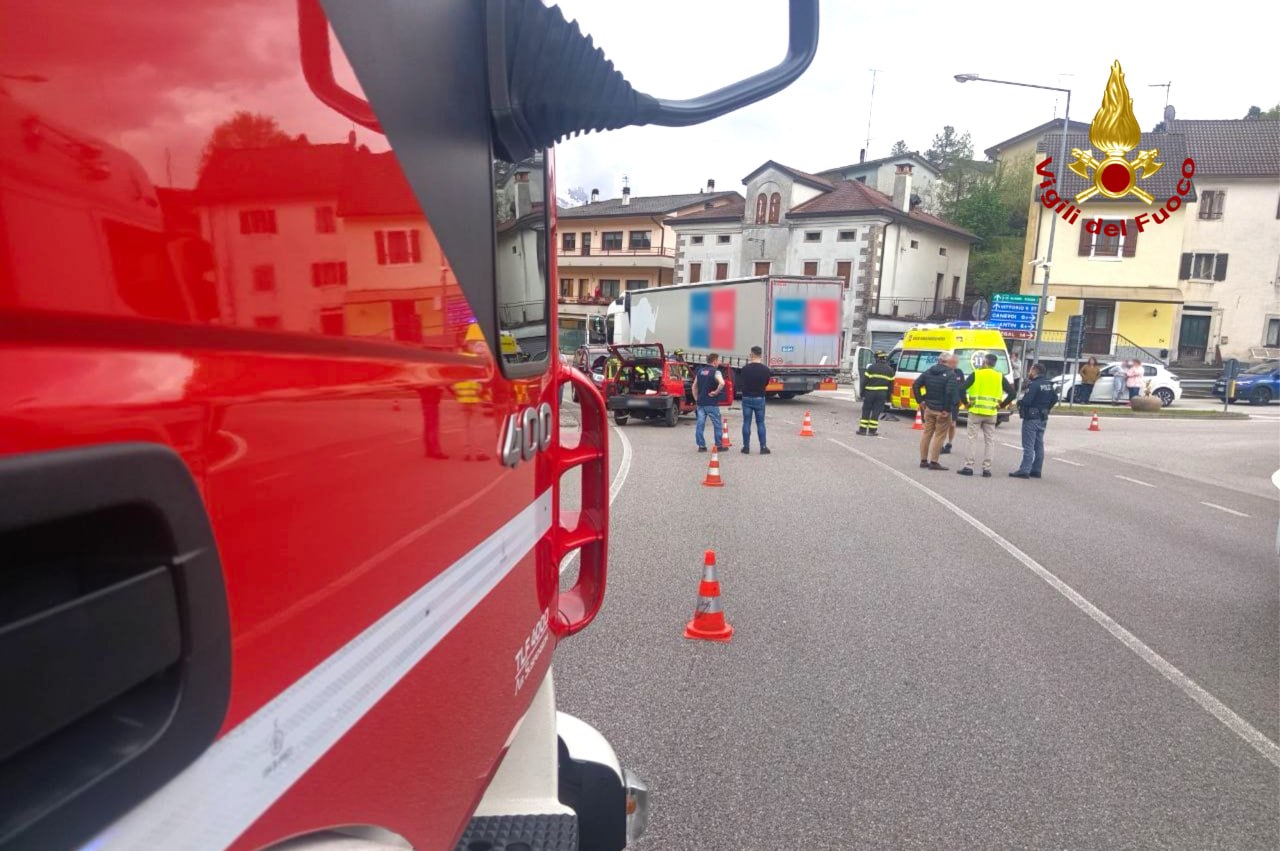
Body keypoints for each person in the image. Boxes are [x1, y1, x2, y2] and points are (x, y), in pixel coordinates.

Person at [957, 353, 1015, 478]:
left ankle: (968, 467)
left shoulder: (976, 374)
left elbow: (961, 389)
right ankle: (987, 469)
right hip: (991, 413)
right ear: (994, 364)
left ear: (984, 362)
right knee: (989, 441)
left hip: (975, 411)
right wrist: (1002, 405)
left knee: (972, 439)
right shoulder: (999, 376)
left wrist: (966, 403)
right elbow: (1012, 393)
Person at [911, 352, 960, 470]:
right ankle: (934, 461)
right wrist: (946, 409)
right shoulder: (951, 375)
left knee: (927, 433)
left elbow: (916, 385)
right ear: (946, 362)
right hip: (942, 410)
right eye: (951, 362)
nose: (953, 364)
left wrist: (920, 401)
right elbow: (949, 393)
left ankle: (923, 460)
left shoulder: (929, 371)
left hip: (929, 407)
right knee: (939, 435)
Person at [1010, 362, 1057, 479]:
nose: (1029, 372)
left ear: (1035, 371)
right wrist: (1046, 408)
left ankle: (1024, 470)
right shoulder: (1048, 384)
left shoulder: (1034, 385)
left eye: (1030, 370)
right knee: (1039, 445)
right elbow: (1054, 398)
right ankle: (1036, 469)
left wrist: (1020, 402)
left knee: (1028, 445)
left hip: (1031, 418)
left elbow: (1027, 401)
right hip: (1042, 417)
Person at [737, 346, 772, 454]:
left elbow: (742, 382)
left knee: (746, 422)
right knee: (760, 423)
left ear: (751, 355)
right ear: (761, 355)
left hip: (746, 398)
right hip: (759, 398)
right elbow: (766, 383)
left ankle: (746, 447)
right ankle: (763, 447)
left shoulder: (745, 369)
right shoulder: (766, 369)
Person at [693, 353, 726, 453]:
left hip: (701, 403)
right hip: (711, 403)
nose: (719, 362)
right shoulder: (716, 372)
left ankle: (701, 446)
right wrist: (716, 392)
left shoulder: (700, 371)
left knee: (700, 424)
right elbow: (722, 383)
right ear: (714, 361)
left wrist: (696, 399)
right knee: (717, 424)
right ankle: (719, 445)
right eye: (718, 360)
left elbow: (694, 386)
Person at [859, 351, 895, 436]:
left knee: (866, 411)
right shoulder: (890, 370)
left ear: (877, 358)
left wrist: (862, 393)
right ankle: (872, 431)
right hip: (881, 394)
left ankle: (862, 430)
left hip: (869, 393)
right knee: (876, 412)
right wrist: (888, 397)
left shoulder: (871, 368)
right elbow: (891, 386)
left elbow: (864, 382)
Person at [941, 360, 965, 454]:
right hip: (943, 402)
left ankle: (949, 444)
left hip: (954, 403)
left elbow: (962, 387)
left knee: (952, 424)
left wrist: (962, 399)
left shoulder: (959, 372)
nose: (955, 364)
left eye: (956, 362)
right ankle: (940, 444)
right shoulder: (943, 372)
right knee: (943, 425)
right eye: (952, 362)